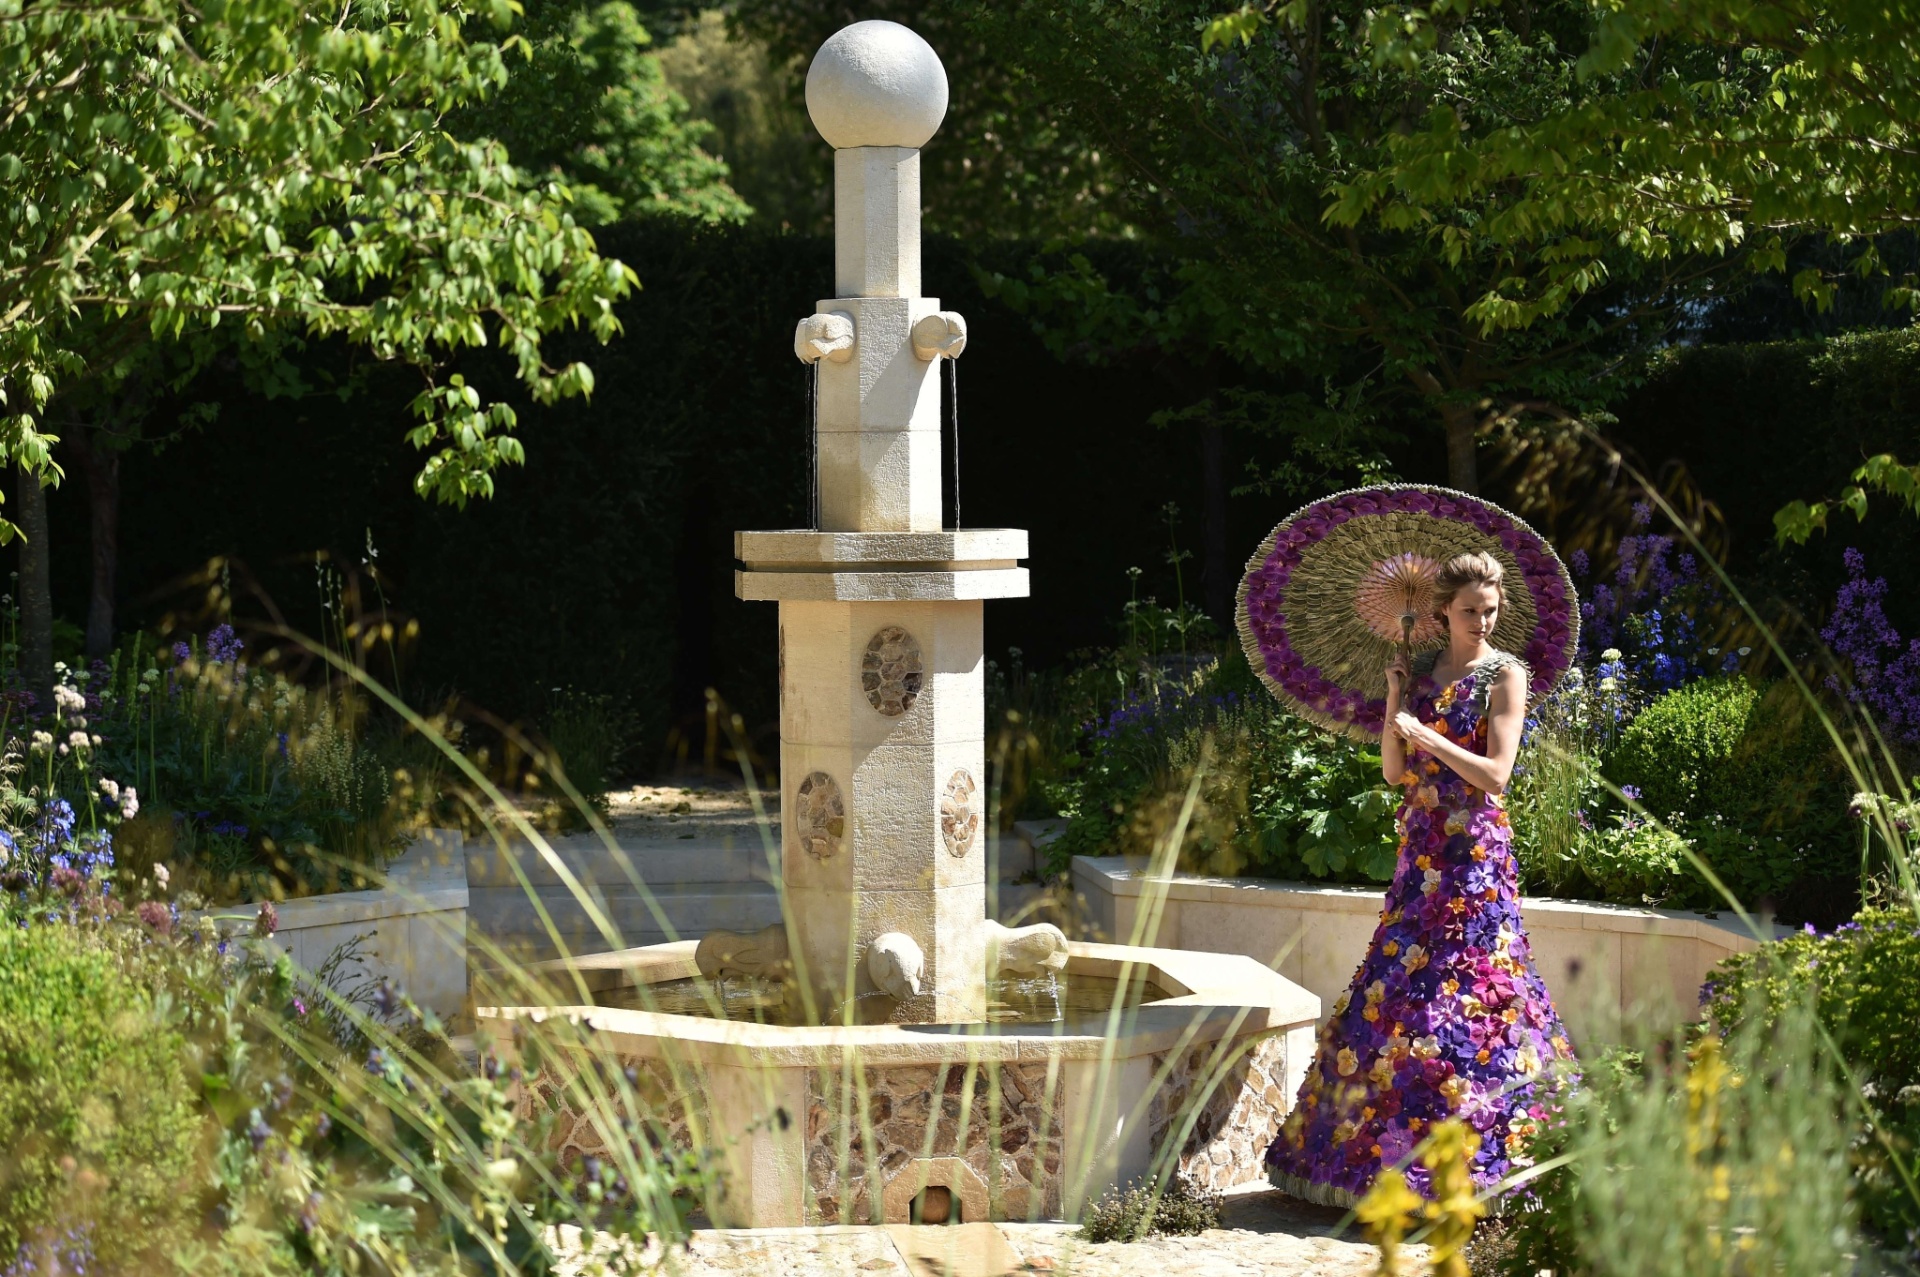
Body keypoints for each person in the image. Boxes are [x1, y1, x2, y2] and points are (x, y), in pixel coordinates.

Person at [1266, 551, 1574, 1206]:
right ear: (1442, 611)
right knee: (1399, 985)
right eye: (1469, 611)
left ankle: (1501, 1149)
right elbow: (1391, 771)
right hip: (1421, 854)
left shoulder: (1505, 674)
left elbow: (1496, 775)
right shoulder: (1427, 673)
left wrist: (1428, 739)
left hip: (1476, 860)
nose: (1481, 621)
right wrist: (1396, 700)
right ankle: (1384, 1154)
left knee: (1480, 985)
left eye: (1490, 610)